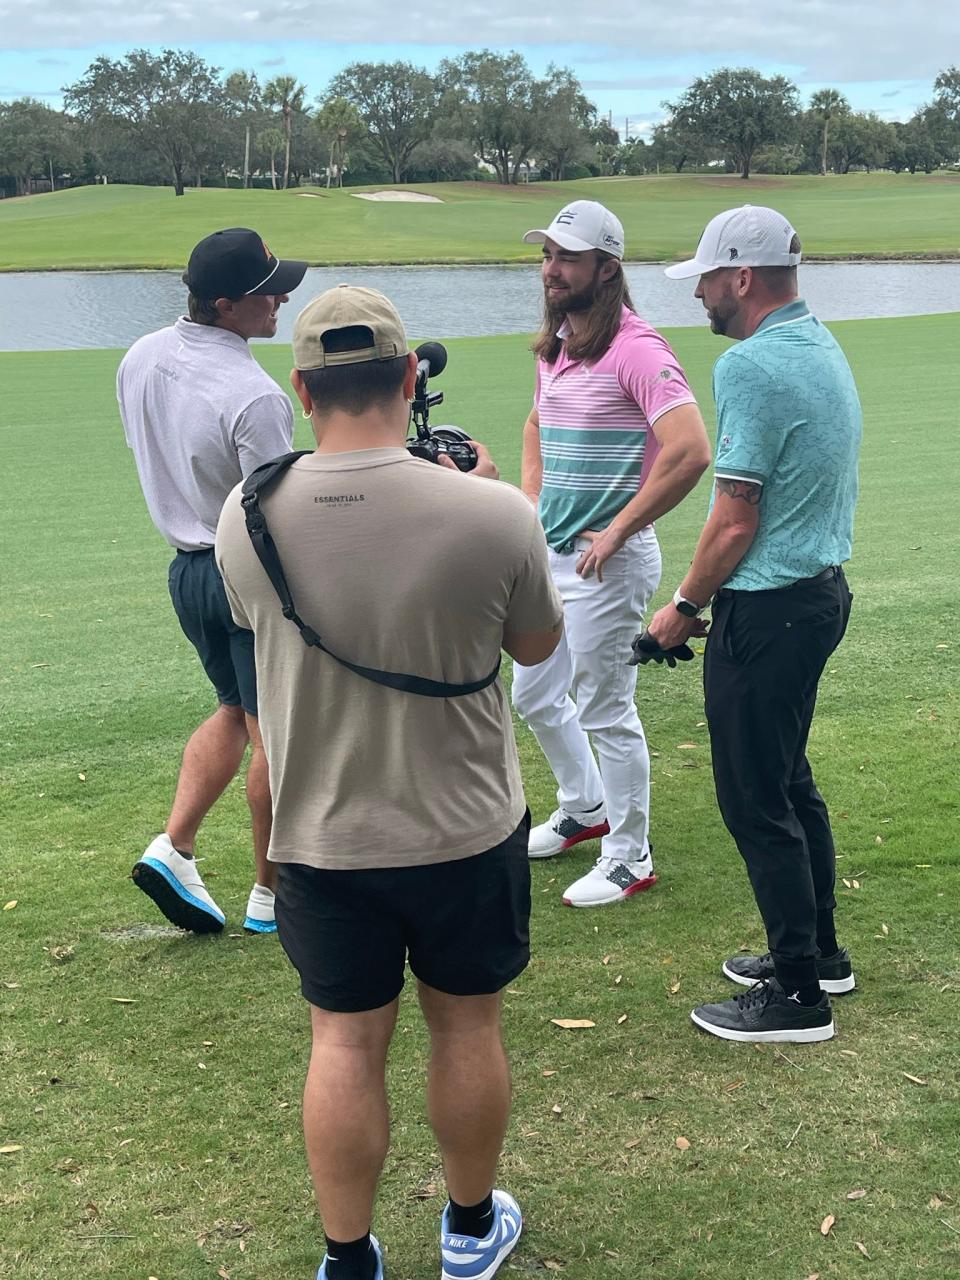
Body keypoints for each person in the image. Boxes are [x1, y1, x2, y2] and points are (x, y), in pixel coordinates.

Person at [215, 285, 563, 1280]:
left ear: (301, 389)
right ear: (412, 377)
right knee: (466, 1022)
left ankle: (348, 1254)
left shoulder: (247, 518)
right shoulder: (493, 512)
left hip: (321, 835)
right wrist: (496, 491)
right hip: (464, 824)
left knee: (343, 1041)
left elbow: (258, 625)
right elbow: (536, 646)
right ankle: (464, 1229)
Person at [650, 204, 862, 1043]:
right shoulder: (818, 340)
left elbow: (735, 517)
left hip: (769, 611)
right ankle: (821, 955)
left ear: (740, 277)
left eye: (704, 278)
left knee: (754, 800)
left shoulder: (753, 367)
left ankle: (798, 998)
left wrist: (684, 608)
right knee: (788, 781)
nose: (698, 294)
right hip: (815, 598)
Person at [513, 200, 711, 907]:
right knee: (534, 694)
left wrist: (623, 525)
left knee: (605, 708)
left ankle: (631, 856)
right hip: (554, 557)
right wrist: (533, 504)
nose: (552, 269)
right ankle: (585, 809)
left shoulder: (637, 347)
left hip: (609, 564)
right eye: (548, 256)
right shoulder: (560, 343)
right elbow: (537, 422)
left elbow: (690, 450)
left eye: (567, 258)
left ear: (606, 267)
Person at [117, 227, 307, 935]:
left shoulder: (140, 357)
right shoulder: (254, 395)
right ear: (226, 305)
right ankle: (270, 895)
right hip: (243, 576)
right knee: (273, 734)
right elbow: (277, 512)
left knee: (233, 711)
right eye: (268, 291)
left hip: (186, 573)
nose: (282, 297)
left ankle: (176, 847)